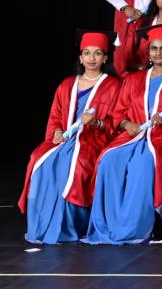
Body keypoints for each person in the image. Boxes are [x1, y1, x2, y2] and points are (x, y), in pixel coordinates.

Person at [84, 24, 162, 244]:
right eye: (154, 48)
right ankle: (111, 223)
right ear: (148, 51)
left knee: (143, 164)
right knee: (108, 159)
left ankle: (138, 226)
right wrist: (127, 124)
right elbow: (119, 113)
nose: (158, 53)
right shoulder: (134, 79)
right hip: (132, 136)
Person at [20, 31, 122, 244]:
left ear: (105, 58)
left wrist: (96, 123)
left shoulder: (113, 86)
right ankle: (40, 224)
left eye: (97, 53)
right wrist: (57, 132)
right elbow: (55, 116)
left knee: (75, 162)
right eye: (87, 53)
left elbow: (117, 122)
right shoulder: (66, 84)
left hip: (94, 139)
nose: (92, 58)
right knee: (38, 159)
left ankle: (70, 225)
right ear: (80, 58)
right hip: (65, 137)